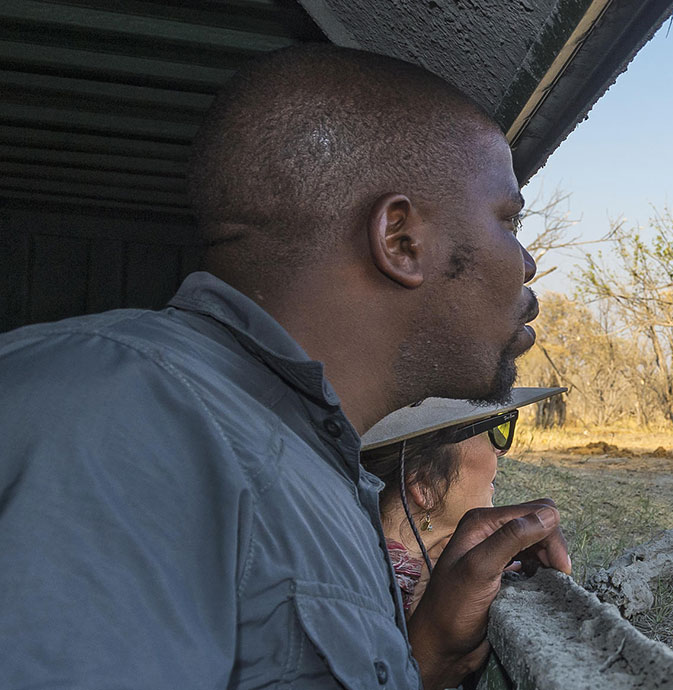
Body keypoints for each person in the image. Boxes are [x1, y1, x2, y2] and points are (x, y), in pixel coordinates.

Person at [0, 45, 569, 689]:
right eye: (508, 220)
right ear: (401, 241)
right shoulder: (120, 424)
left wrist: (425, 659)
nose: (525, 264)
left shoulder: (302, 460)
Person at [360, 388, 566, 612]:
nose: (501, 450)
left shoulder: (362, 561)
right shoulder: (375, 602)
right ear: (426, 483)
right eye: (494, 430)